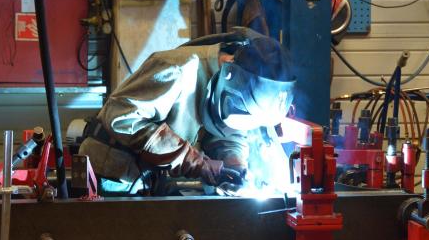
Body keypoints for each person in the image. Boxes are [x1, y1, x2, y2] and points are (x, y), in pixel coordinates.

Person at [78, 29, 296, 195]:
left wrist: (235, 165)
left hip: (151, 177)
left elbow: (227, 131)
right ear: (229, 71)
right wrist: (195, 162)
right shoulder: (179, 69)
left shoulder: (230, 95)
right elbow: (121, 117)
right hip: (110, 177)